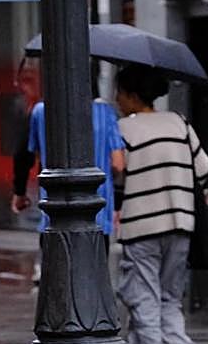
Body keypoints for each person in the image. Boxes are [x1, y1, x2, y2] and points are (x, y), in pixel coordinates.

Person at [114, 64, 208, 344]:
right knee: (169, 297)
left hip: (141, 227)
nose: (116, 100)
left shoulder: (123, 129)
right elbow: (203, 168)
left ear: (131, 95)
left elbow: (117, 171)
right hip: (181, 224)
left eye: (119, 93)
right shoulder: (179, 124)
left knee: (144, 301)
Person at [12, 81, 127, 246]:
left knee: (55, 260)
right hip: (98, 214)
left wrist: (20, 192)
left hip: (54, 213)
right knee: (95, 261)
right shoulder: (106, 112)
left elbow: (29, 154)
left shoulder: (41, 111)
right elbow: (118, 164)